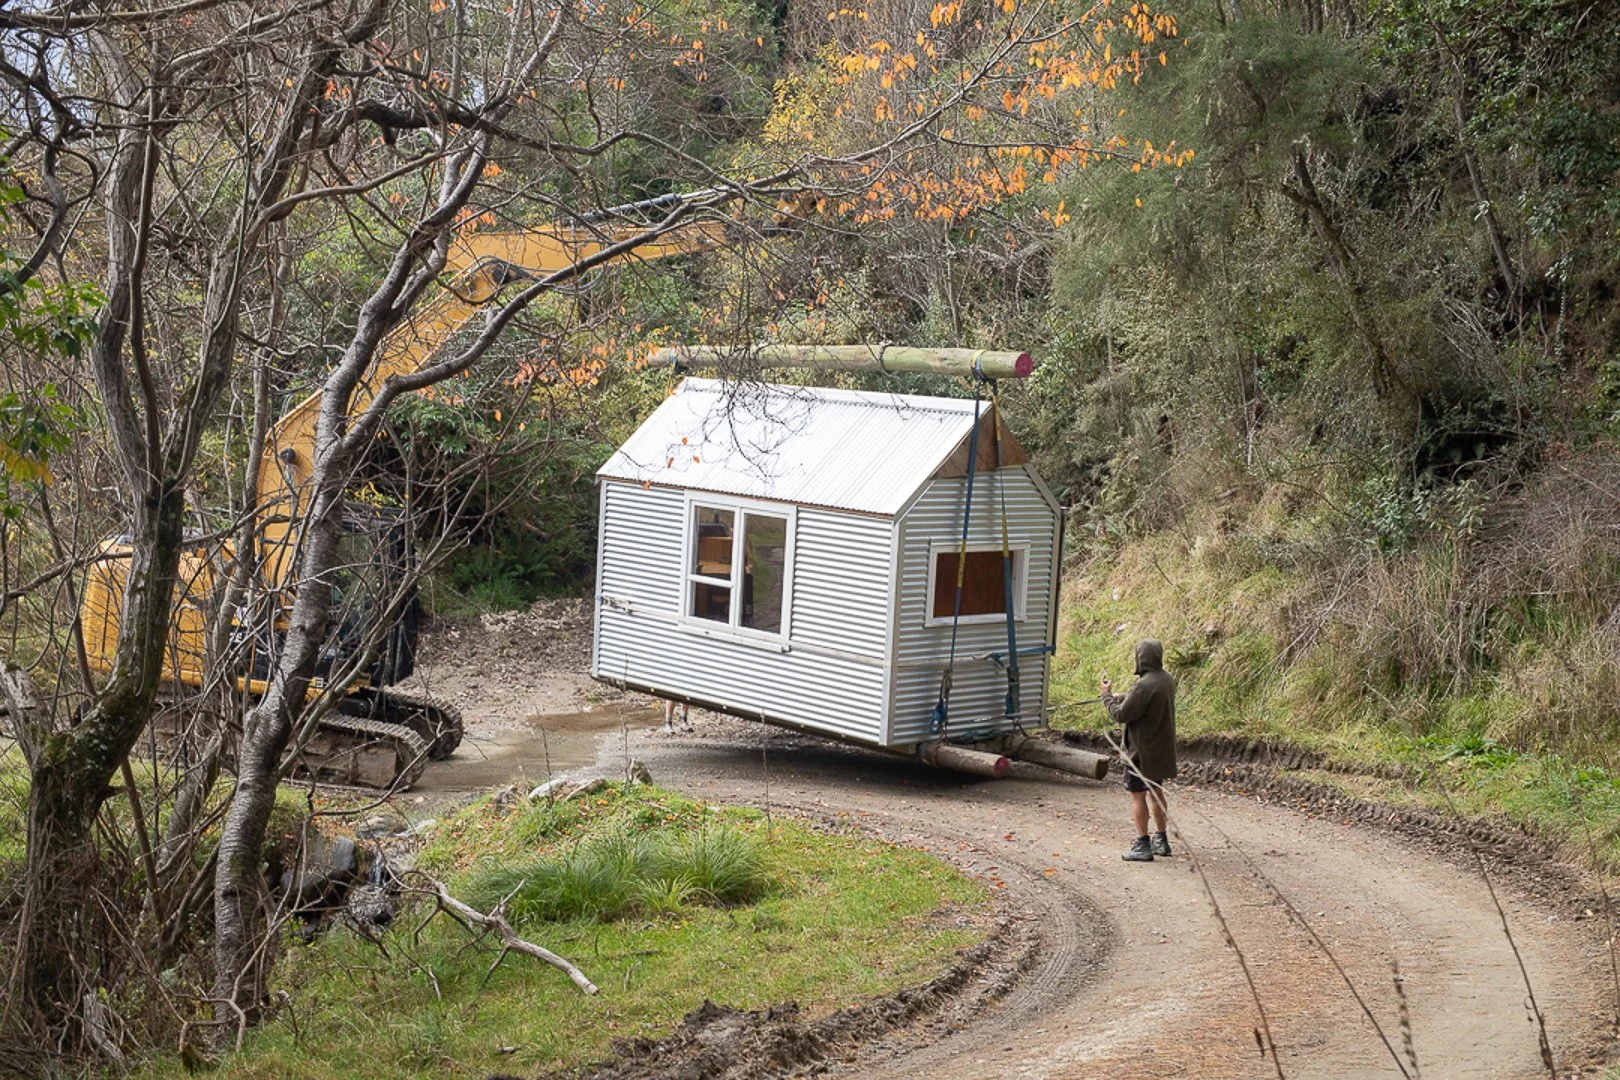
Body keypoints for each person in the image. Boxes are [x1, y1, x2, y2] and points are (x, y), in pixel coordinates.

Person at [1100, 638, 1177, 862]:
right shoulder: (1166, 679)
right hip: (1159, 751)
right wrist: (1124, 697)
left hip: (1139, 754)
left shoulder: (1143, 685)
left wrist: (1106, 696)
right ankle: (1161, 841)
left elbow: (1120, 715)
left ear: (1140, 658)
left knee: (1137, 796)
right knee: (1157, 793)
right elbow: (1144, 701)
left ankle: (1142, 844)